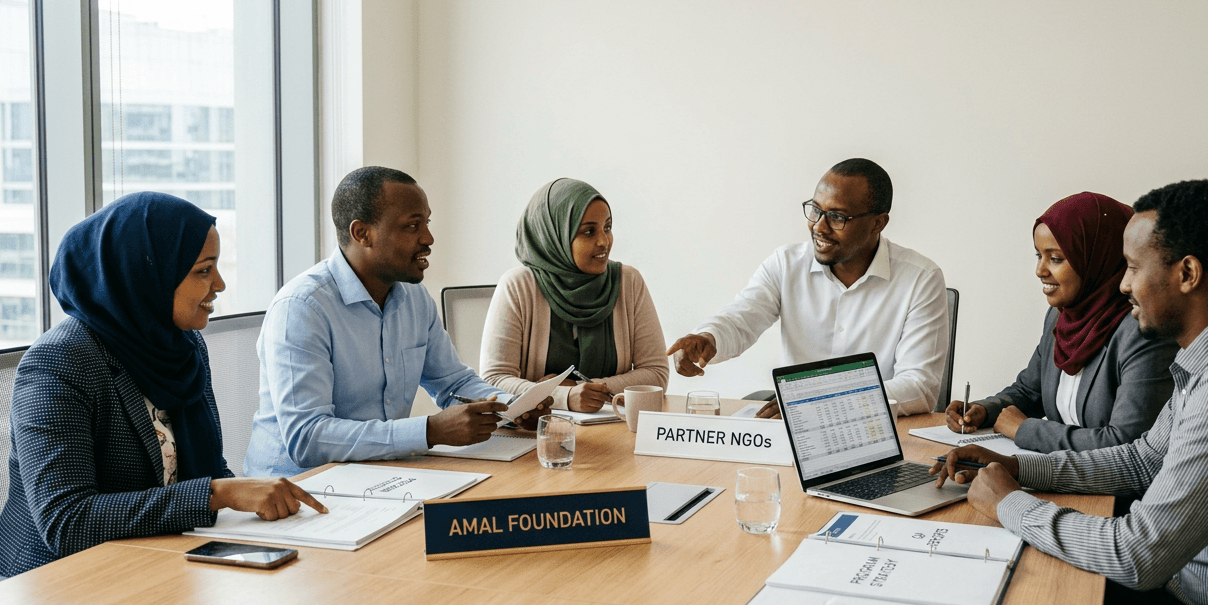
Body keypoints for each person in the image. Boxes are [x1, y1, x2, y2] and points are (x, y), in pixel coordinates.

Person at [933, 180, 1208, 605]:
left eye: (1132, 267)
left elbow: (1138, 555)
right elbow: (1145, 460)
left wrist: (1010, 503)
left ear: (1187, 274)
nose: (1122, 284)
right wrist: (1021, 468)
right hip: (1193, 594)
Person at [0, 193, 324, 577]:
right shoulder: (59, 364)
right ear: (146, 276)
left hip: (159, 561)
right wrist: (219, 495)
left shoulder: (182, 346)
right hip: (55, 583)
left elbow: (200, 470)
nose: (220, 284)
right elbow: (68, 520)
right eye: (203, 270)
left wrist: (250, 498)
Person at [245, 167, 548, 477]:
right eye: (412, 226)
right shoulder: (302, 308)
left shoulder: (414, 299)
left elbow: (454, 383)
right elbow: (307, 438)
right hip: (298, 492)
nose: (428, 239)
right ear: (362, 233)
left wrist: (513, 406)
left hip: (383, 477)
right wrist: (429, 431)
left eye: (426, 223)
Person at [668, 158, 949, 416]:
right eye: (815, 210)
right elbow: (742, 316)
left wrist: (818, 400)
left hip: (879, 430)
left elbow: (919, 387)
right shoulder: (786, 263)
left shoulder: (921, 279)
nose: (819, 227)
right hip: (797, 431)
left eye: (837, 217)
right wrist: (708, 338)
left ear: (878, 222)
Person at [944, 192, 1177, 452]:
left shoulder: (1143, 330)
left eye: (1055, 258)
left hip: (1107, 489)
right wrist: (984, 410)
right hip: (1058, 475)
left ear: (1097, 258)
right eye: (1039, 256)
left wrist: (1025, 429)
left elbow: (1124, 443)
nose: (1040, 271)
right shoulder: (1061, 316)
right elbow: (1030, 391)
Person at [480, 178, 668, 412]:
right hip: (538, 433)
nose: (604, 241)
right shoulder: (518, 286)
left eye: (607, 228)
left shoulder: (628, 282)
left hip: (613, 429)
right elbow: (493, 381)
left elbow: (657, 375)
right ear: (554, 236)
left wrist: (583, 388)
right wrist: (563, 396)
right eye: (589, 232)